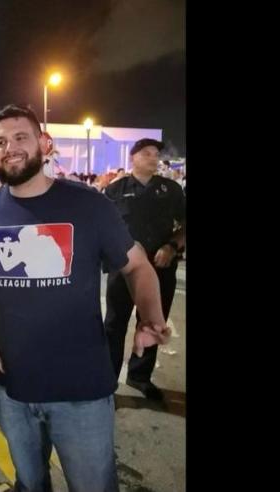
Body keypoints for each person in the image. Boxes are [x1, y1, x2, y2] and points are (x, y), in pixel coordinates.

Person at [0, 104, 169, 492]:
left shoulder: (88, 205)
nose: (10, 147)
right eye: (0, 142)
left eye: (20, 137)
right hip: (11, 390)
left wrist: (150, 317)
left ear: (45, 144)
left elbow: (138, 266)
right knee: (30, 484)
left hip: (80, 392)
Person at [102, 138, 186, 401]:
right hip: (124, 270)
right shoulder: (114, 191)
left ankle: (139, 377)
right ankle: (107, 379)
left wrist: (172, 246)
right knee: (114, 324)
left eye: (156, 154)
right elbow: (102, 228)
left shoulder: (170, 189)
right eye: (147, 153)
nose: (154, 158)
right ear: (133, 158)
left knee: (151, 323)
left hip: (161, 267)